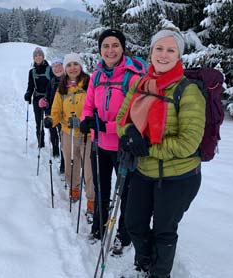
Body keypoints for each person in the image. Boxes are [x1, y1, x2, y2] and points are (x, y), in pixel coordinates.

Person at [116, 28, 206, 277]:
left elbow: (188, 142)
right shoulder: (140, 83)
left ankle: (159, 273)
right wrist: (129, 135)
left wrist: (147, 147)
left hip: (179, 177)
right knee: (134, 223)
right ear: (151, 51)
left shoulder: (188, 91)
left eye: (170, 50)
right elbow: (121, 120)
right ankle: (146, 264)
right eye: (159, 48)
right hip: (144, 171)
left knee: (164, 230)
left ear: (179, 56)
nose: (163, 55)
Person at [80, 29, 146, 255]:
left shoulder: (132, 77)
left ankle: (123, 235)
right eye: (106, 46)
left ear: (122, 48)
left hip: (123, 147)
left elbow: (136, 115)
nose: (110, 50)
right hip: (99, 145)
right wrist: (85, 120)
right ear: (100, 49)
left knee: (125, 194)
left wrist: (104, 126)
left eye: (115, 45)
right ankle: (99, 227)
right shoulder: (97, 75)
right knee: (101, 189)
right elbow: (89, 105)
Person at [43, 53, 95, 218]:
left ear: (80, 66)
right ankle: (74, 189)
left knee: (89, 168)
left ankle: (92, 200)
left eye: (75, 64)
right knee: (72, 163)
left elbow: (95, 106)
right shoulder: (62, 87)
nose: (73, 68)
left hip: (87, 134)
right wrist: (51, 119)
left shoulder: (89, 83)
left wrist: (88, 121)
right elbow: (57, 109)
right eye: (69, 65)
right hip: (68, 132)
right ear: (65, 69)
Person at [39, 57, 65, 174]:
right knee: (55, 135)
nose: (57, 68)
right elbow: (48, 96)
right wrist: (44, 101)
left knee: (64, 139)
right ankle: (56, 153)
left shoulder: (69, 81)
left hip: (65, 115)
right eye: (54, 66)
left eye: (59, 65)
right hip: (53, 114)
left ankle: (64, 164)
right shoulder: (52, 81)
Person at [24, 47, 51, 148]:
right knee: (38, 122)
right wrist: (28, 94)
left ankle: (56, 148)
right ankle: (41, 144)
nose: (38, 57)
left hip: (48, 98)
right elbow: (30, 86)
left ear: (43, 56)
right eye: (36, 56)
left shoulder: (50, 69)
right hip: (36, 98)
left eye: (40, 55)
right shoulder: (32, 72)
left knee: (50, 122)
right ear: (33, 58)